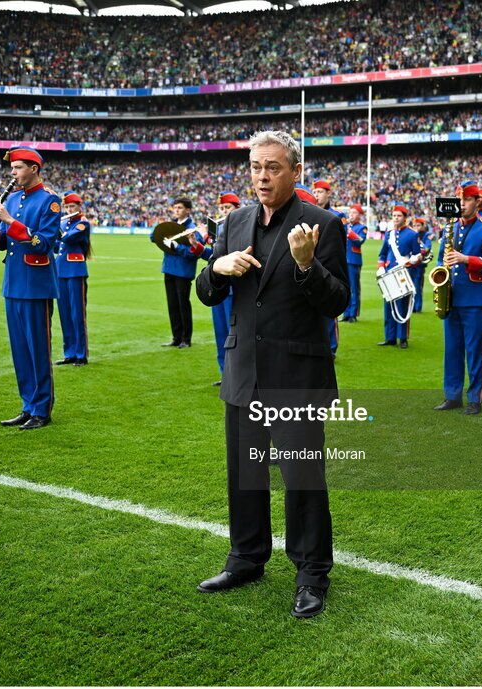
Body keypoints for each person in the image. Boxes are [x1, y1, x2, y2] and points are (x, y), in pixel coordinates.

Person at [195, 130, 349, 619]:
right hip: (243, 371)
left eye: (274, 167)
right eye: (256, 166)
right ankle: (245, 558)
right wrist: (216, 268)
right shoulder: (233, 221)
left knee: (302, 478)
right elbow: (207, 293)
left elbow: (337, 301)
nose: (262, 176)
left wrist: (307, 267)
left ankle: (311, 573)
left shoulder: (323, 223)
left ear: (295, 171)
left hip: (296, 378)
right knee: (245, 475)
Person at [0, 146, 62, 431]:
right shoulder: (14, 198)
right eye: (12, 169)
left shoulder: (50, 201)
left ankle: (42, 409)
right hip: (14, 284)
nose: (13, 173)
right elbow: (4, 243)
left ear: (34, 168)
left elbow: (43, 243)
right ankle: (27, 406)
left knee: (38, 350)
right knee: (20, 350)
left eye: (18, 168)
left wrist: (8, 221)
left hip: (37, 286)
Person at [433, 181, 482, 415]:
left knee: (474, 351)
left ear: (476, 202)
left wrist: (466, 259)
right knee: (452, 349)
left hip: (474, 298)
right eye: (459, 201)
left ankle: (475, 398)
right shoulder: (449, 227)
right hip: (451, 296)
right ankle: (452, 395)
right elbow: (441, 259)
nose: (461, 205)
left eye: (467, 200)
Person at [157, 196, 205, 348]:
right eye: (175, 208)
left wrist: (177, 247)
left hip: (183, 271)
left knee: (183, 304)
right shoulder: (171, 225)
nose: (176, 210)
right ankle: (176, 337)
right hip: (169, 268)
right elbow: (154, 237)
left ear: (188, 210)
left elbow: (194, 251)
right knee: (172, 305)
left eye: (180, 208)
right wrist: (160, 230)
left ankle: (186, 339)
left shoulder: (192, 229)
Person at [376, 205, 422, 349]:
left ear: (405, 218)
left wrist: (413, 260)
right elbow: (382, 254)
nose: (396, 218)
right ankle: (389, 337)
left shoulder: (412, 234)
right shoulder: (389, 234)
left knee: (403, 306)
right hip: (389, 273)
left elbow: (417, 255)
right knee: (389, 305)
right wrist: (381, 267)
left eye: (399, 216)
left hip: (404, 273)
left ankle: (402, 338)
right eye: (394, 216)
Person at [55, 191, 91, 367]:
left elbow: (67, 238)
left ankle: (81, 354)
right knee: (65, 314)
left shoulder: (83, 223)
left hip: (76, 271)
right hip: (60, 271)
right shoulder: (64, 223)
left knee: (78, 314)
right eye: (67, 207)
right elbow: (56, 246)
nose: (69, 209)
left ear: (79, 207)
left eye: (72, 206)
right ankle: (69, 353)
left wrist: (53, 225)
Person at [311, 179, 345, 357]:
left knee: (330, 304)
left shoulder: (336, 215)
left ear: (328, 193)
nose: (317, 195)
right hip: (309, 263)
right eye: (315, 192)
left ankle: (331, 346)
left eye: (320, 192)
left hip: (329, 263)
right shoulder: (309, 212)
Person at [210, 191, 240, 384]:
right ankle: (224, 373)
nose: (224, 211)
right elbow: (214, 260)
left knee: (234, 334)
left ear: (237, 208)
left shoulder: (242, 227)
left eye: (227, 208)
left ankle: (236, 373)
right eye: (221, 208)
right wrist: (199, 247)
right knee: (220, 331)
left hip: (234, 289)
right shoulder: (219, 229)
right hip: (218, 287)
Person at [342, 203, 367, 322]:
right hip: (343, 259)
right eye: (350, 212)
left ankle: (354, 313)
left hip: (353, 261)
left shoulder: (362, 228)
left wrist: (349, 231)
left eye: (354, 213)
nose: (351, 215)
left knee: (354, 288)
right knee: (345, 287)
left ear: (359, 215)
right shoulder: (345, 225)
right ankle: (346, 313)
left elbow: (360, 240)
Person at [412, 217, 433, 313]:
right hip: (410, 263)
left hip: (419, 264)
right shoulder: (412, 234)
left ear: (423, 226)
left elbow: (427, 247)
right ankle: (411, 306)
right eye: (415, 225)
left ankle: (417, 306)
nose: (416, 227)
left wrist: (420, 251)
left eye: (418, 225)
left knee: (417, 285)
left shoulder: (426, 235)